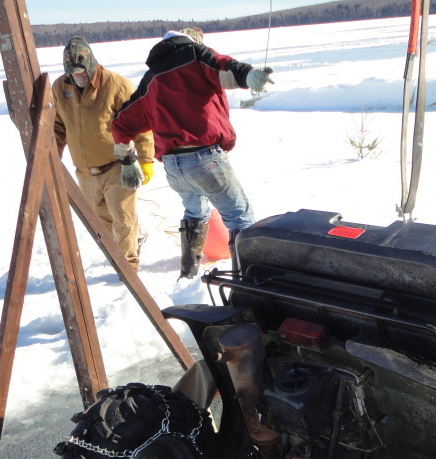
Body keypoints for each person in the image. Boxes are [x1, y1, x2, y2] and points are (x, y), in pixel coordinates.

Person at [108, 27, 273, 278]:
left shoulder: (150, 78)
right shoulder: (195, 55)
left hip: (174, 168)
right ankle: (248, 283)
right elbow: (222, 67)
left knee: (195, 212)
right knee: (241, 218)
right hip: (205, 159)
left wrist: (128, 160)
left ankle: (188, 274)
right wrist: (248, 75)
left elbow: (121, 122)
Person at [53, 36, 154, 271]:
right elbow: (58, 126)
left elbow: (141, 122)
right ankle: (129, 244)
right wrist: (53, 155)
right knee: (101, 220)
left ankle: (128, 267)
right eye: (73, 73)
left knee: (122, 218)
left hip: (118, 166)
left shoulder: (116, 85)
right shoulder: (60, 87)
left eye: (81, 72)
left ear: (90, 65)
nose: (78, 77)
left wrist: (146, 160)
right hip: (85, 172)